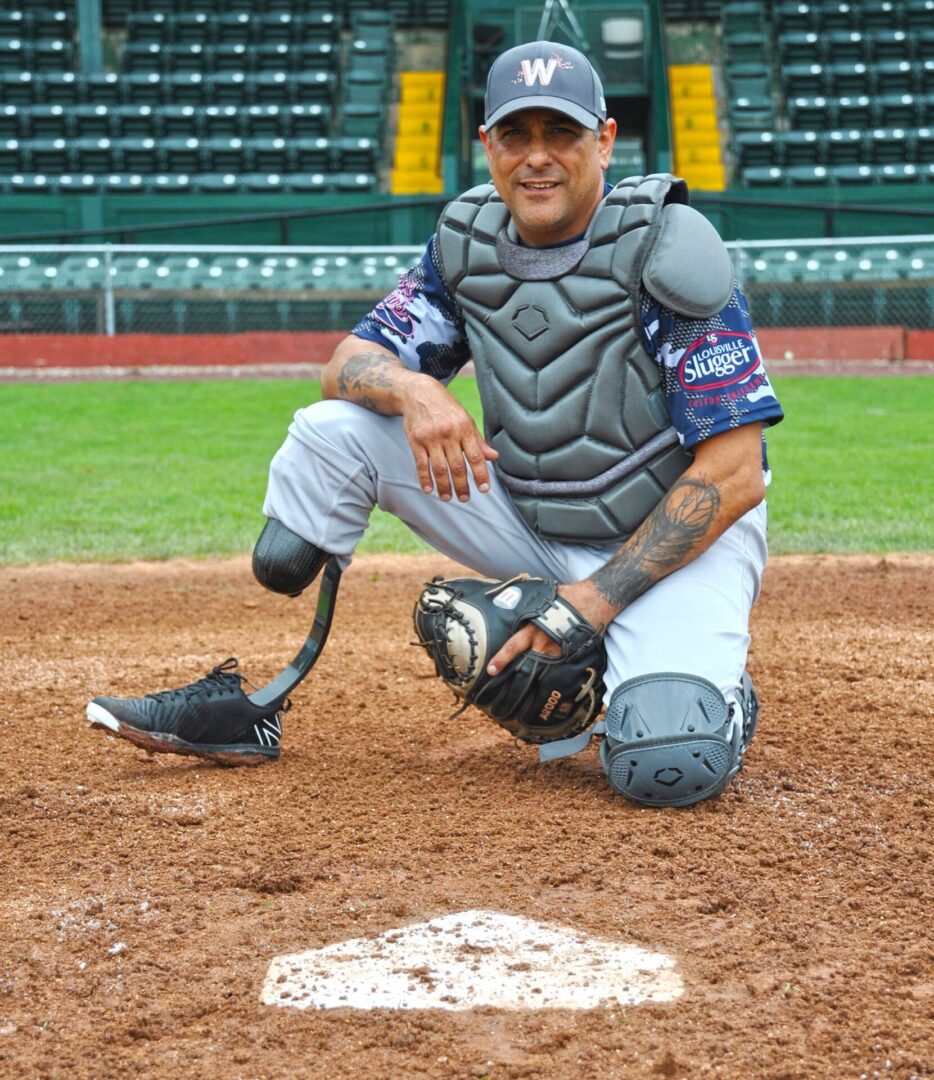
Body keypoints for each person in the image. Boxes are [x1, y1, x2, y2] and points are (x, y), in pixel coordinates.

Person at [87, 40, 784, 807]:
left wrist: (590, 607)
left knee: (665, 766)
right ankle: (254, 706)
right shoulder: (466, 243)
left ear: (606, 140)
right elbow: (349, 361)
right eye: (517, 135)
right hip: (531, 509)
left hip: (673, 541)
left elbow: (734, 472)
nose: (538, 158)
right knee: (333, 428)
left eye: (564, 134)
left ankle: (711, 697)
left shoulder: (667, 246)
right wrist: (417, 391)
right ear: (487, 144)